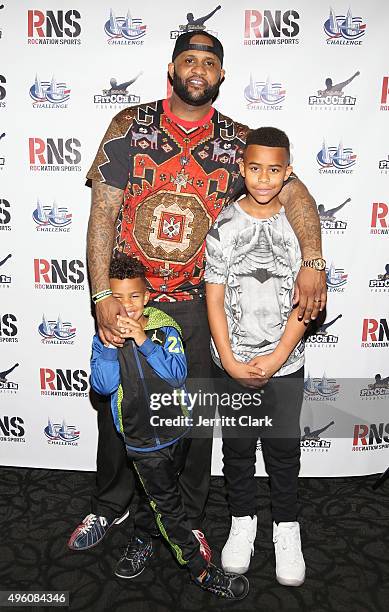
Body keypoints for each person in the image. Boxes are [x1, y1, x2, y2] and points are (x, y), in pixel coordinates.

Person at [69, 30, 326, 573]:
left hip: (195, 301)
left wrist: (313, 258)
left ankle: (179, 519)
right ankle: (110, 507)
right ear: (172, 67)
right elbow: (103, 213)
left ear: (221, 74)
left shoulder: (239, 141)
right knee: (121, 412)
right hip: (130, 296)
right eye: (190, 59)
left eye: (209, 62)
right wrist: (100, 296)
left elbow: (296, 193)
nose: (199, 69)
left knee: (191, 420)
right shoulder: (129, 125)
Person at [84, 253, 249, 601]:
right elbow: (101, 386)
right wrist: (111, 347)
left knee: (156, 496)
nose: (126, 307)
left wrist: (144, 340)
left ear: (146, 297)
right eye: (117, 298)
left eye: (133, 297)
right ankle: (201, 570)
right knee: (170, 510)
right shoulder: (104, 338)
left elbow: (176, 375)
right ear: (106, 301)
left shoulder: (163, 327)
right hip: (141, 441)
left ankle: (142, 537)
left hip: (178, 431)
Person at [205, 127, 309, 586]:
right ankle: (242, 521)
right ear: (241, 169)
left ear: (288, 172)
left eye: (274, 169)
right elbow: (213, 297)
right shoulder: (224, 225)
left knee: (284, 453)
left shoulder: (302, 225)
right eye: (254, 168)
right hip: (233, 362)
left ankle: (287, 528)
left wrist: (279, 356)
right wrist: (228, 359)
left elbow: (309, 301)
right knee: (239, 451)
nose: (263, 178)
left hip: (285, 364)